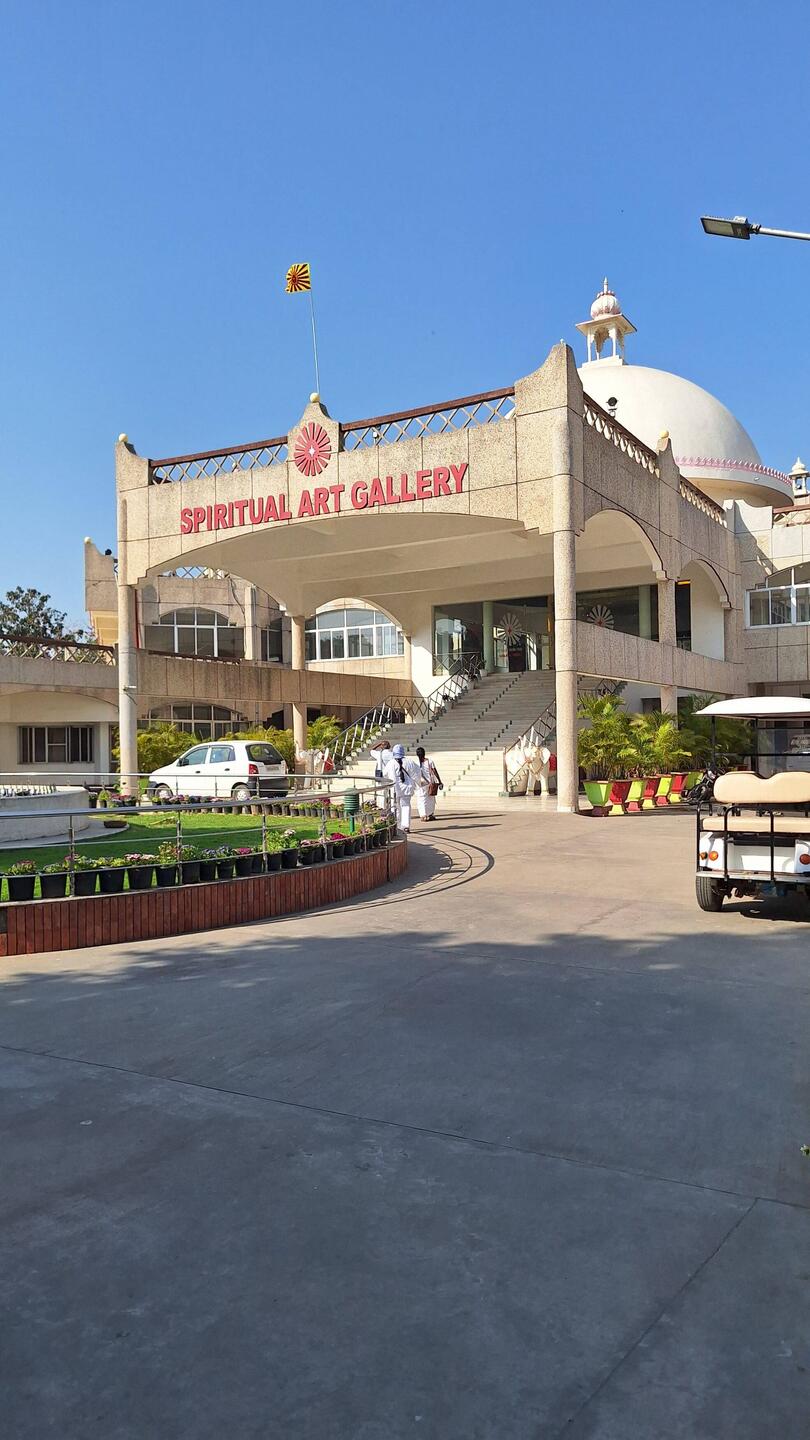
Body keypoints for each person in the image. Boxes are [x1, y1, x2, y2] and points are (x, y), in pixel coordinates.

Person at [383, 743, 421, 833]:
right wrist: (419, 783)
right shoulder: (409, 761)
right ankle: (405, 826)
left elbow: (384, 774)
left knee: (395, 807)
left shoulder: (391, 763)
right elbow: (416, 773)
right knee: (406, 806)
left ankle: (396, 825)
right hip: (407, 788)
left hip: (395, 789)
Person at [415, 745, 443, 821]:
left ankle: (423, 815)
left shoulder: (416, 763)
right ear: (424, 753)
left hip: (420, 784)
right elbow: (435, 772)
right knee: (431, 799)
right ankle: (430, 814)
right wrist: (440, 781)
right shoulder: (429, 761)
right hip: (430, 783)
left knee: (421, 799)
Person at [371, 737, 393, 810]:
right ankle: (392, 809)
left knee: (381, 793)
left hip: (381, 776)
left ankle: (382, 809)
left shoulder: (379, 754)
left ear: (382, 746)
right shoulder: (392, 754)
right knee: (391, 793)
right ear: (389, 746)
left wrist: (378, 744)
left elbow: (371, 750)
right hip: (390, 776)